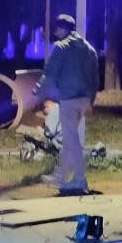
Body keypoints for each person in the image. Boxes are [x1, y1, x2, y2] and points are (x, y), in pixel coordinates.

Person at [34, 14, 99, 196]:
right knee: (70, 139)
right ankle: (61, 175)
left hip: (69, 99)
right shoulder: (89, 49)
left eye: (57, 28)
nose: (55, 32)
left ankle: (79, 179)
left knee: (71, 141)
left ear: (63, 29)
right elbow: (96, 78)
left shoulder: (61, 47)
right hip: (84, 100)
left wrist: (37, 91)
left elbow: (50, 72)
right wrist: (91, 100)